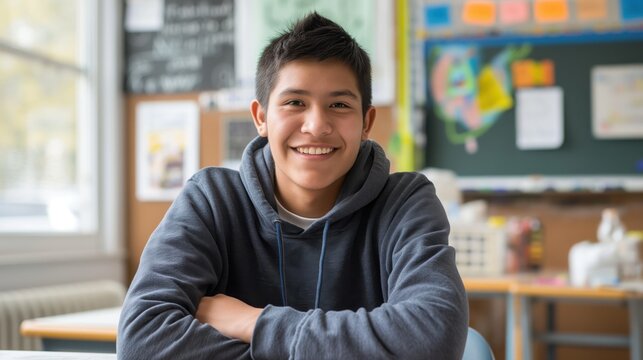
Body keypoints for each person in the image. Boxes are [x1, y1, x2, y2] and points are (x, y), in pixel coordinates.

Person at [118, 12, 468, 359]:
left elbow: (434, 338)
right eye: (295, 102)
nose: (316, 125)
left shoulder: (406, 202)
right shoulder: (211, 200)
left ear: (366, 122)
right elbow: (142, 342)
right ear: (260, 117)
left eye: (339, 104)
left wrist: (254, 323)